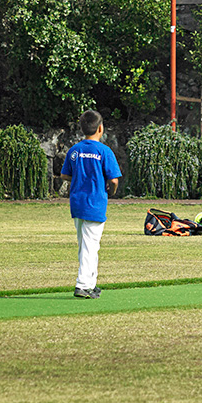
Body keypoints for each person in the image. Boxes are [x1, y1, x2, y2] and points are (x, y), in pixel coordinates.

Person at [57, 110, 122, 298]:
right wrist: (112, 191)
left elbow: (64, 174)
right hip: (95, 203)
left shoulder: (75, 150)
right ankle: (83, 285)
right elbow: (114, 180)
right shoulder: (104, 151)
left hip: (77, 203)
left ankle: (91, 284)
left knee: (85, 245)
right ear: (100, 128)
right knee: (90, 245)